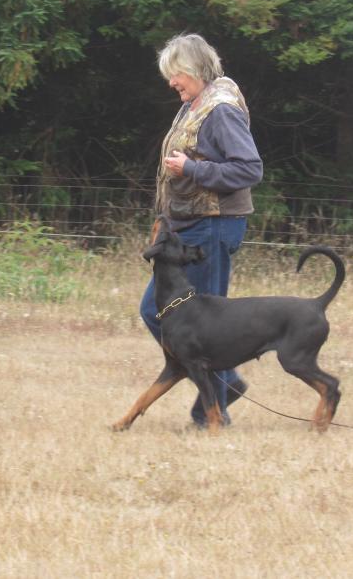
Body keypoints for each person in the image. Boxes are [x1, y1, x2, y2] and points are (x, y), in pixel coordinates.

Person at [140, 33, 264, 427]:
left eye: (175, 75)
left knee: (206, 328)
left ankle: (213, 412)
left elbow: (249, 169)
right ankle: (223, 384)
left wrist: (192, 169)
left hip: (212, 228)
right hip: (188, 227)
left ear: (192, 69)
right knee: (152, 309)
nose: (171, 83)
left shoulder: (221, 109)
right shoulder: (195, 103)